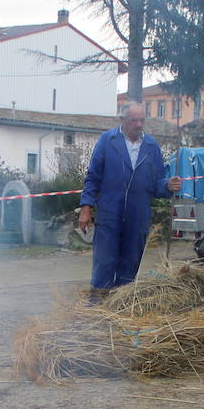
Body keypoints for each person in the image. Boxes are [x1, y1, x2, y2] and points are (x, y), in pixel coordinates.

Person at [77, 102, 182, 294]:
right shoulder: (108, 141)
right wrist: (86, 208)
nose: (139, 124)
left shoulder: (151, 146)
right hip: (109, 214)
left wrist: (167, 185)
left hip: (138, 215)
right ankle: (98, 302)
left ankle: (122, 302)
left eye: (142, 120)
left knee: (130, 264)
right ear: (122, 119)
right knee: (104, 261)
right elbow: (93, 177)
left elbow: (156, 183)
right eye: (134, 120)